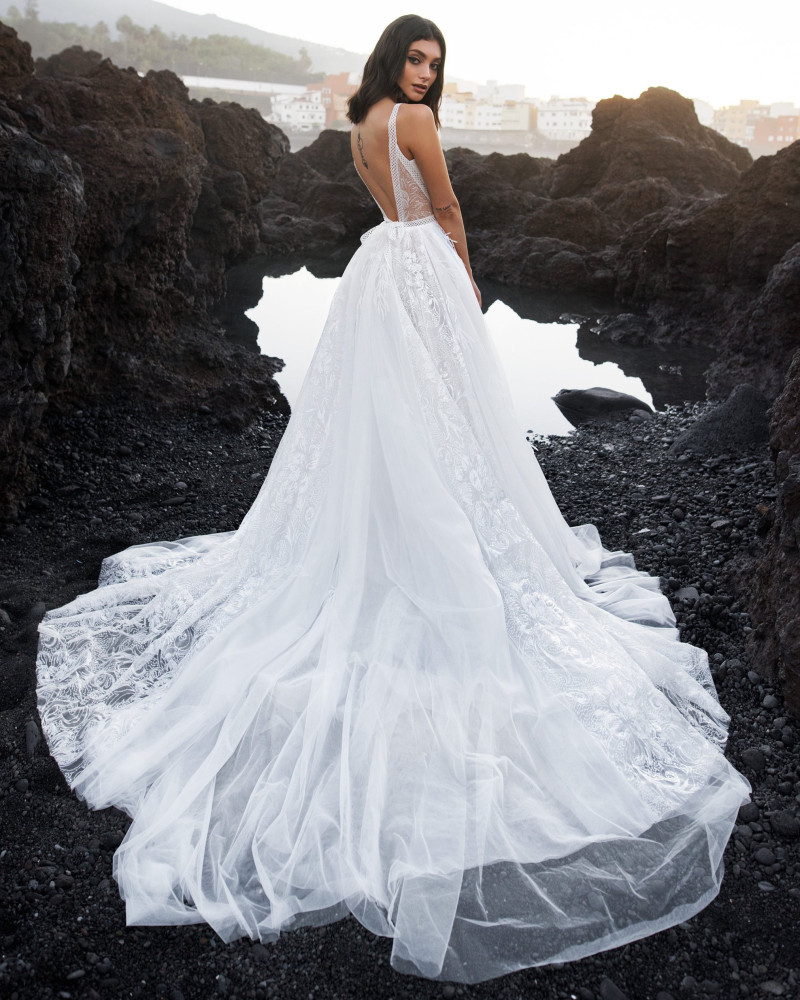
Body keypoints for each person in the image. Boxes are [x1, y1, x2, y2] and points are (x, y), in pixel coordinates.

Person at [37, 14, 751, 985]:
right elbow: (448, 209)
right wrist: (463, 286)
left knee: (388, 426)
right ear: (392, 59)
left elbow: (388, 202)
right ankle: (425, 555)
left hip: (377, 269)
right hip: (416, 269)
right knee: (437, 423)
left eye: (433, 63)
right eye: (415, 58)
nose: (423, 75)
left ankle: (384, 539)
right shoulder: (411, 122)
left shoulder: (361, 116)